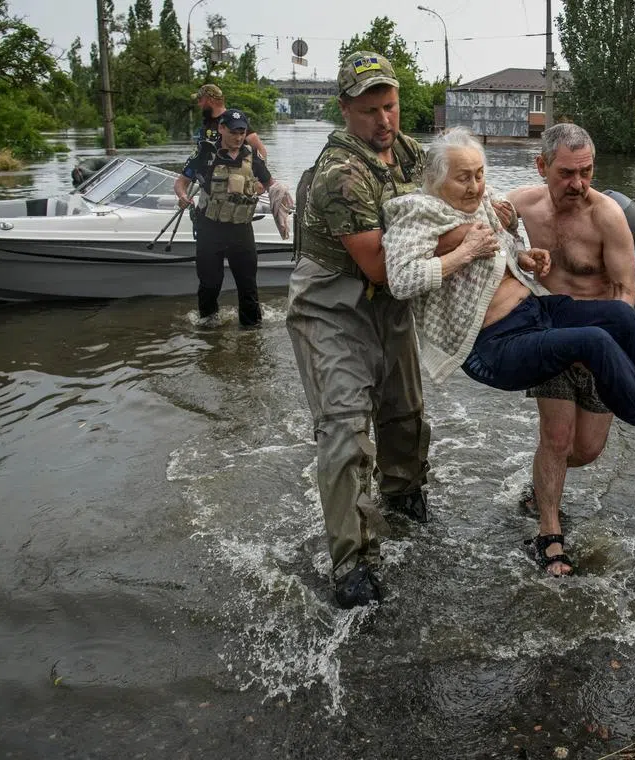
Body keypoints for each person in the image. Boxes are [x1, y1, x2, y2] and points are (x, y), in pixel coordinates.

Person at [383, 128, 635, 570]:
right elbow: (401, 279)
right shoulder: (422, 212)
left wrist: (526, 257)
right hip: (502, 344)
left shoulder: (595, 214)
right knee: (558, 431)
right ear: (543, 167)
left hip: (545, 319)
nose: (475, 186)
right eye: (463, 178)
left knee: (617, 330)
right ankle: (557, 527)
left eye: (478, 175)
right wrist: (466, 247)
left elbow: (517, 249)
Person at [285, 52, 433, 609]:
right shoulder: (339, 175)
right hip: (333, 306)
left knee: (404, 414)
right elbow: (380, 265)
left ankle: (405, 501)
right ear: (345, 109)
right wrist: (465, 246)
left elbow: (446, 199)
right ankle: (353, 562)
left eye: (390, 106)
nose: (384, 121)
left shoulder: (407, 151)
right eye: (369, 110)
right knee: (346, 429)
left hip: (387, 305)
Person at [505, 123, 635, 576]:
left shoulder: (607, 217)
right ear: (542, 166)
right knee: (557, 439)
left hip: (598, 345)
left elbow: (625, 292)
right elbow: (474, 218)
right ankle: (549, 534)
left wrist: (605, 346)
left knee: (587, 449)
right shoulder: (521, 204)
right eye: (566, 173)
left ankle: (539, 488)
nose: (578, 184)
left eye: (586, 172)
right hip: (550, 337)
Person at [174, 109, 271, 327]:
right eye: (233, 132)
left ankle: (251, 335)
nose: (238, 138)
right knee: (209, 285)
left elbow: (269, 182)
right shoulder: (205, 154)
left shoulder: (252, 155)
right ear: (221, 128)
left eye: (242, 132)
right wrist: (182, 197)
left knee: (248, 286)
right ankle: (208, 334)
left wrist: (260, 188)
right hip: (210, 229)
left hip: (241, 229)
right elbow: (181, 182)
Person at [192, 84, 268, 159]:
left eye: (200, 100)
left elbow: (261, 150)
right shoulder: (207, 121)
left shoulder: (234, 121)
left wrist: (258, 169)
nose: (199, 104)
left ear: (210, 101)